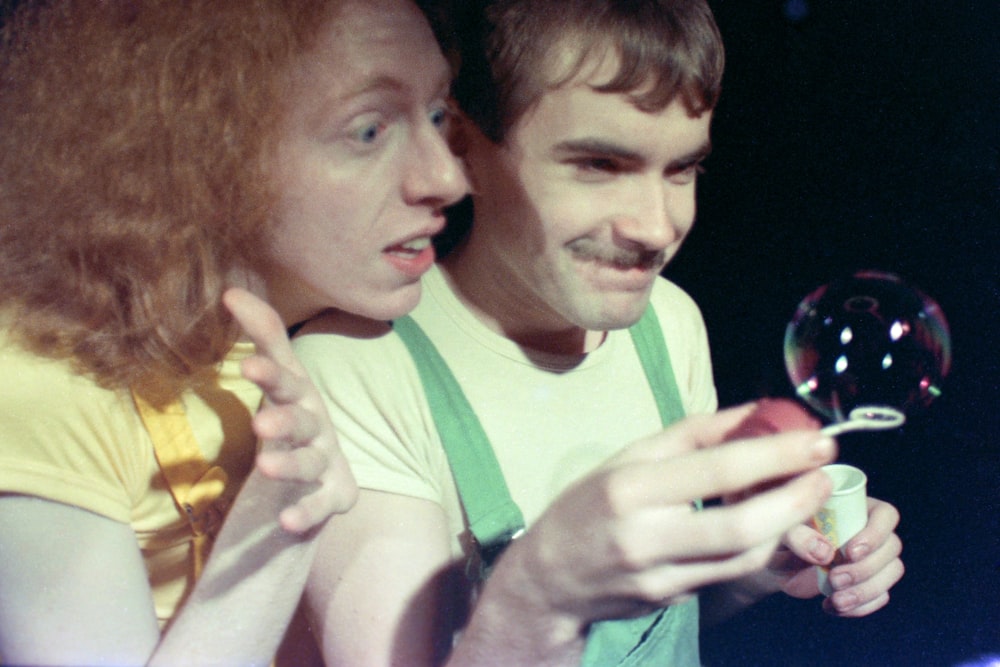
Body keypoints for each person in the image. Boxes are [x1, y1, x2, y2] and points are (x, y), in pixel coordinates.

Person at [292, 0, 905, 664]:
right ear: (462, 146)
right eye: (597, 166)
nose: (655, 225)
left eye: (682, 170)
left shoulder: (667, 326)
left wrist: (765, 565)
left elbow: (668, 622)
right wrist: (539, 589)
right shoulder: (357, 370)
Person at [0, 0, 467, 664]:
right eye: (367, 131)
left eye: (439, 115)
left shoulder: (332, 334)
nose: (447, 177)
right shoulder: (39, 379)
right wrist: (276, 532)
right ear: (203, 149)